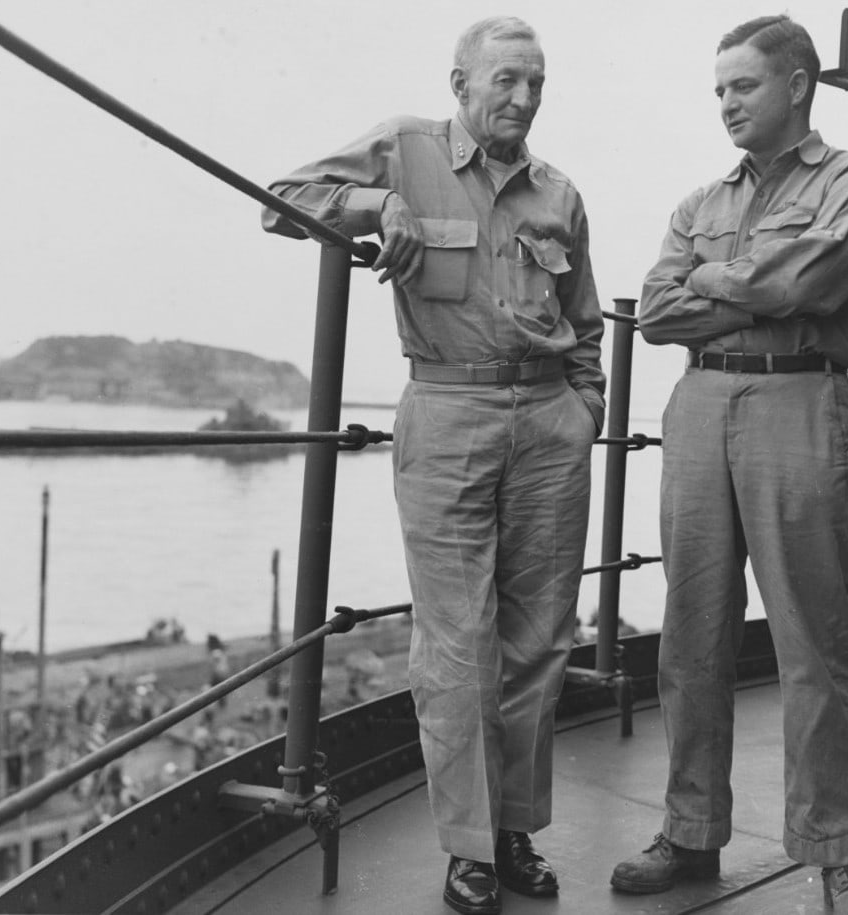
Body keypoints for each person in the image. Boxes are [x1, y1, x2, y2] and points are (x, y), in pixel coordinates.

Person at [263, 16, 604, 914]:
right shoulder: (404, 149)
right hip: (448, 410)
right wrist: (378, 208)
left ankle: (514, 829)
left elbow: (587, 323)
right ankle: (468, 847)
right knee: (456, 644)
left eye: (535, 82)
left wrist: (585, 411)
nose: (523, 99)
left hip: (549, 424)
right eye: (505, 82)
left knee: (537, 640)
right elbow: (280, 198)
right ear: (460, 84)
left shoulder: (558, 194)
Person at [609, 16, 848, 915]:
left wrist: (717, 282)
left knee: (812, 643)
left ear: (798, 84)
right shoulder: (700, 203)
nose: (726, 105)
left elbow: (804, 285)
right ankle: (690, 832)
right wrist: (746, 283)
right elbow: (656, 310)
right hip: (700, 407)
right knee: (690, 634)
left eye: (742, 86)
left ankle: (834, 854)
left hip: (800, 402)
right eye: (718, 91)